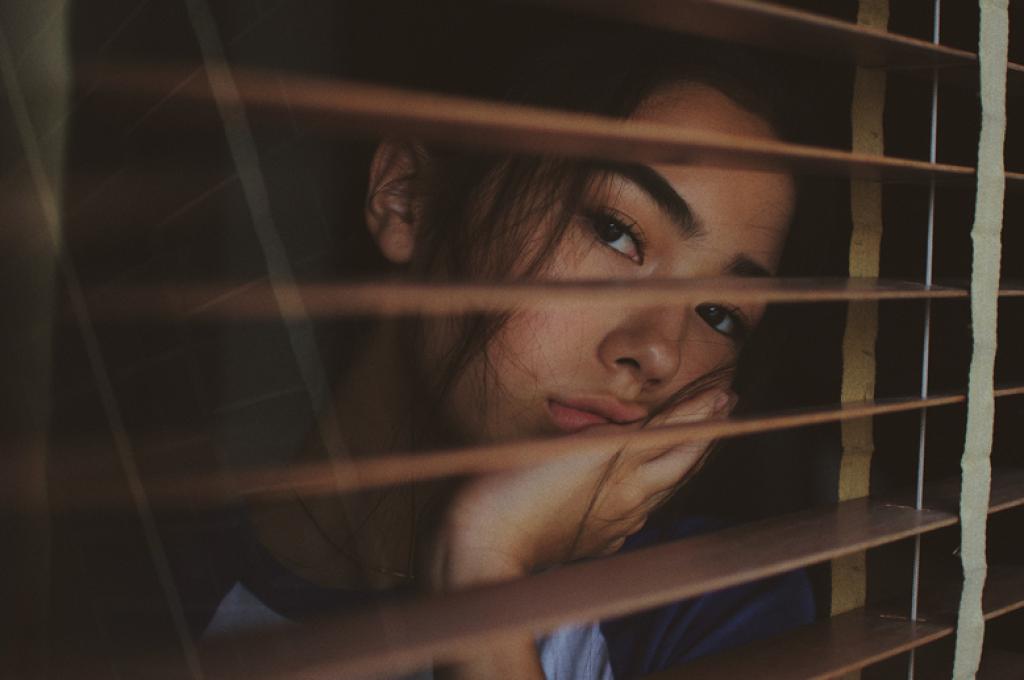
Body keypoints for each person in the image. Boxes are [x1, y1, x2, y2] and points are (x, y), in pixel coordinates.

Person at [202, 18, 821, 680]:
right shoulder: (151, 582)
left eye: (720, 314)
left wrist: (481, 564)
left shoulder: (711, 611)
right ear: (408, 199)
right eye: (616, 232)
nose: (660, 354)